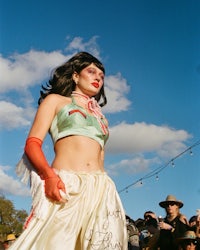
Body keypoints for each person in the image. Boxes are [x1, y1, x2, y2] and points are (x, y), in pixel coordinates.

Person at [10, 52, 128, 249]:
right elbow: (32, 144)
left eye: (101, 75)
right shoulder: (56, 101)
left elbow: (100, 155)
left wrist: (104, 188)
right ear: (75, 75)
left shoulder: (101, 117)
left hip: (102, 189)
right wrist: (49, 176)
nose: (98, 77)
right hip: (67, 184)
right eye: (91, 71)